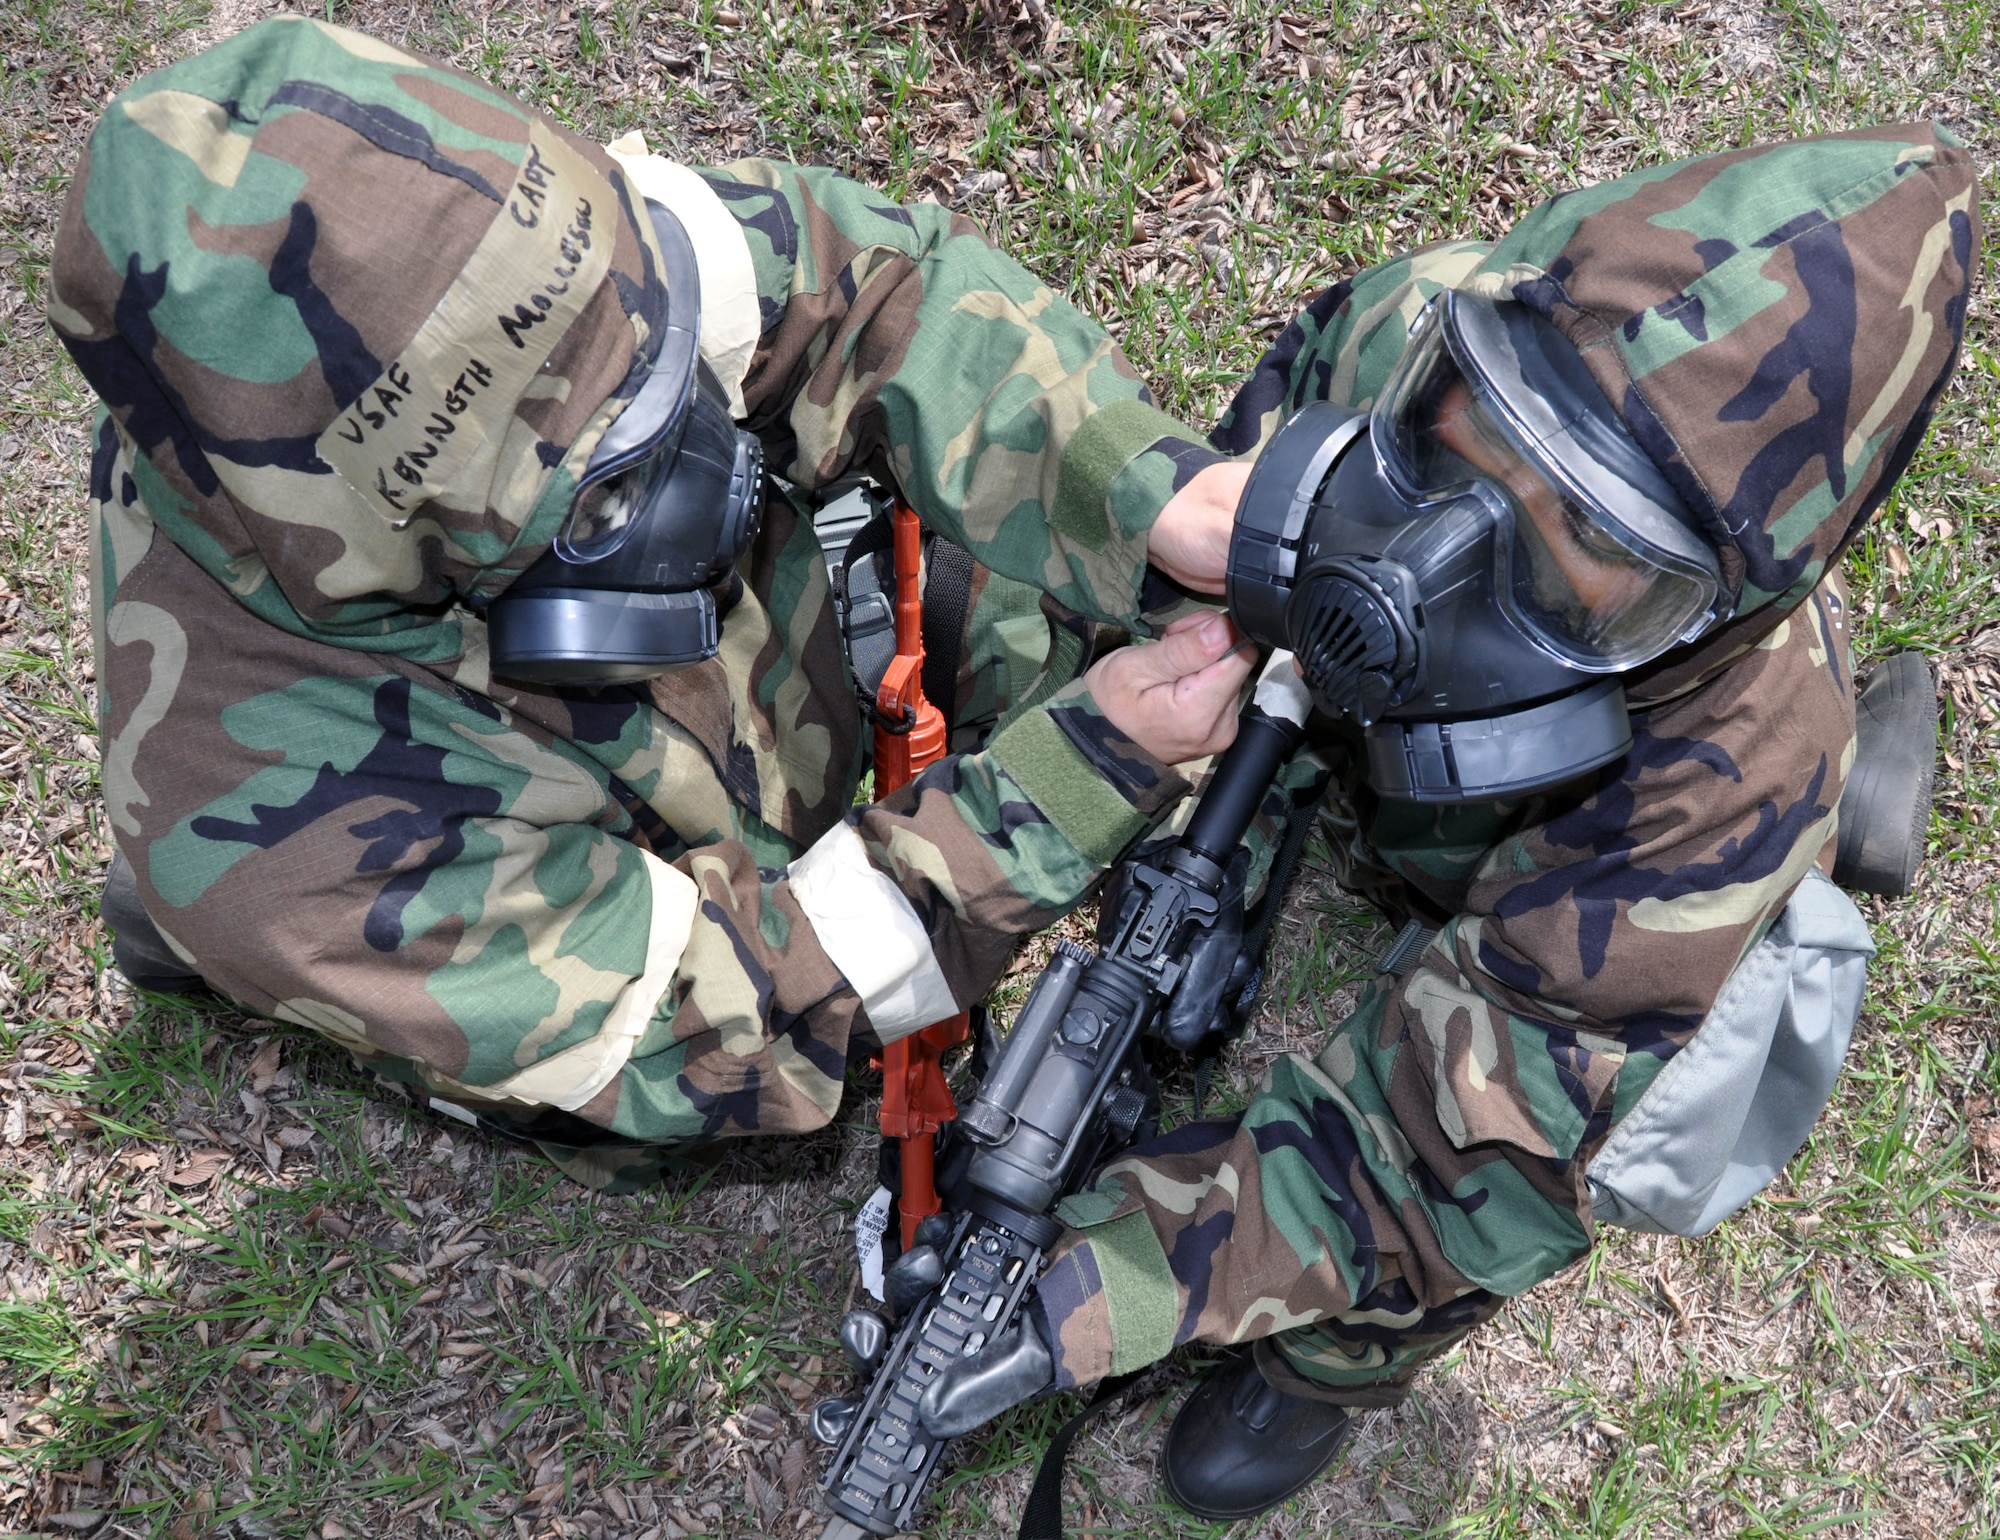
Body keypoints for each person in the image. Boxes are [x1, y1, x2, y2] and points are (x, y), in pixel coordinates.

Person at [916, 123, 1978, 1521]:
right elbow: (1252, 536)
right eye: (1471, 440)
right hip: (1421, 750)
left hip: (1583, 860)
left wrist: (1100, 1291)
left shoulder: (1723, 770)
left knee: (1569, 1158)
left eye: (1587, 546)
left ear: (1716, 608)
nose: (1434, 563)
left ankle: (1334, 1373)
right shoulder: (1414, 334)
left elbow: (1458, 1154)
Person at [54, 16, 1257, 1191]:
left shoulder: (521, 244)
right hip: (545, 914)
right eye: (609, 495)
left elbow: (867, 288)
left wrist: (1150, 491)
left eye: (658, 378)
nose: (706, 476)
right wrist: (1071, 780)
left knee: (991, 596)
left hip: (686, 724)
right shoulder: (287, 855)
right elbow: (714, 1029)